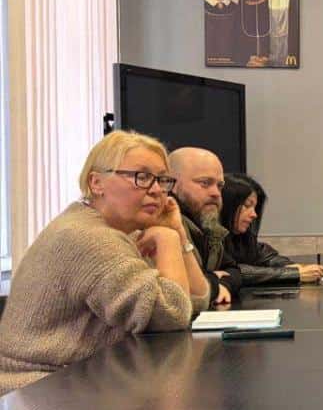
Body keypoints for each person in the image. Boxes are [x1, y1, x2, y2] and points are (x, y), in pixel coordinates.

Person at [0, 131, 209, 395]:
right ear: (96, 183)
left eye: (161, 179)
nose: (157, 190)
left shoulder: (124, 232)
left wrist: (177, 234)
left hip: (77, 380)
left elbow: (195, 301)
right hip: (38, 391)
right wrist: (168, 240)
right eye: (141, 177)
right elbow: (171, 315)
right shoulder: (90, 238)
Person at [219, 174, 323, 285]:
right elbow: (234, 271)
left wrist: (292, 266)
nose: (254, 214)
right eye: (247, 205)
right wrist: (294, 274)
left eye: (254, 208)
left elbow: (264, 255)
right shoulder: (213, 240)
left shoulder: (242, 237)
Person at [168, 147, 241, 306]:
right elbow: (179, 288)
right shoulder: (164, 222)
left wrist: (222, 284)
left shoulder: (208, 225)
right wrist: (214, 282)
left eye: (219, 185)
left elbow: (233, 270)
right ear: (171, 184)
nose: (216, 193)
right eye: (205, 183)